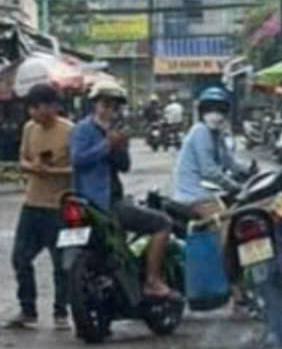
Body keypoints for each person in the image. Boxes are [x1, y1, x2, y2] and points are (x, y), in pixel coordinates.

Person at [71, 80, 176, 300]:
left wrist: (119, 146)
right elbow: (78, 160)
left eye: (114, 106)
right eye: (105, 105)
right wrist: (106, 145)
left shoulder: (116, 131)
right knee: (163, 223)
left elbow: (124, 166)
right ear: (95, 105)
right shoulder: (83, 129)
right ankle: (153, 281)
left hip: (113, 197)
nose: (109, 110)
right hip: (99, 203)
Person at [6, 83, 75, 330]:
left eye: (38, 107)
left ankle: (61, 312)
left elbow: (77, 168)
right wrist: (33, 167)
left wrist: (54, 172)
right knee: (20, 258)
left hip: (58, 206)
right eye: (31, 108)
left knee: (61, 263)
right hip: (32, 203)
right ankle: (28, 309)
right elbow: (22, 160)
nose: (33, 113)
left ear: (53, 107)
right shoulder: (29, 129)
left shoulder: (69, 131)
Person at [171, 86, 250, 218]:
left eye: (220, 110)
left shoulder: (216, 134)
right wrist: (234, 186)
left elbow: (229, 161)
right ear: (202, 112)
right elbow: (208, 171)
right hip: (193, 195)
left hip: (206, 191)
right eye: (210, 109)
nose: (215, 114)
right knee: (227, 222)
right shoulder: (200, 131)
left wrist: (248, 169)